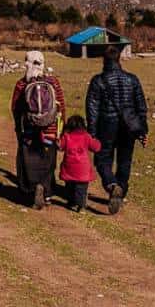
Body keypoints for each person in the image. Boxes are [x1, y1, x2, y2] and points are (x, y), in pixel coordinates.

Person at [85, 49, 148, 215]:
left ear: (103, 61)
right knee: (125, 161)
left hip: (106, 125)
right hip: (129, 127)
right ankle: (120, 190)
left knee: (102, 160)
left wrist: (91, 133)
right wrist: (142, 130)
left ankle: (112, 185)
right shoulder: (132, 79)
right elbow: (141, 107)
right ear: (119, 59)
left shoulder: (98, 81)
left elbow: (92, 109)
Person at [10, 51, 65, 209]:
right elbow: (61, 104)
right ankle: (46, 193)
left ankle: (34, 187)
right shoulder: (53, 82)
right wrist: (61, 128)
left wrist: (18, 128)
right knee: (48, 162)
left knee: (30, 161)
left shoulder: (21, 84)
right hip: (51, 130)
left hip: (29, 131)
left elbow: (15, 108)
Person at [57, 115, 101, 212]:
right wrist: (98, 141)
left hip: (69, 167)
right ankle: (81, 206)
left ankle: (71, 202)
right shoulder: (86, 137)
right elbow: (96, 147)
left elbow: (60, 146)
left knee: (69, 187)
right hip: (83, 169)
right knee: (81, 189)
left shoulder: (66, 136)